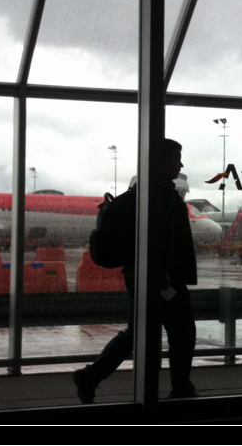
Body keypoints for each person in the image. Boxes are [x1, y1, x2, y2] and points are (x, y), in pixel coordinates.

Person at [74, 138, 198, 402]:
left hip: (139, 274)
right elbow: (161, 237)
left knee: (137, 332)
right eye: (176, 159)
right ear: (162, 160)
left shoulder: (141, 193)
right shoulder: (161, 195)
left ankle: (91, 376)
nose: (181, 164)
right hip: (163, 278)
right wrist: (164, 274)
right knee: (183, 331)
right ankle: (181, 389)